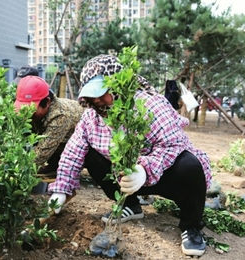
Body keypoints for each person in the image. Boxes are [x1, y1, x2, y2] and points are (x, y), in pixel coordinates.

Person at [47, 54, 212, 257]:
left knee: (190, 165)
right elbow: (73, 152)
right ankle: (131, 205)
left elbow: (173, 143)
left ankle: (191, 226)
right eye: (93, 95)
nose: (97, 100)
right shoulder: (91, 117)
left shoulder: (150, 105)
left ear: (118, 85)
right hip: (126, 180)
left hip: (166, 175)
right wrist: (61, 190)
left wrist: (144, 169)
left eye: (103, 92)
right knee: (91, 154)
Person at [14, 76, 85, 175]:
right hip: (59, 141)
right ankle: (54, 165)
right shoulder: (40, 113)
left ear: (47, 102)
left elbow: (41, 154)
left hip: (87, 149)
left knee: (47, 141)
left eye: (32, 110)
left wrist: (14, 169)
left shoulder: (60, 115)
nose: (27, 115)